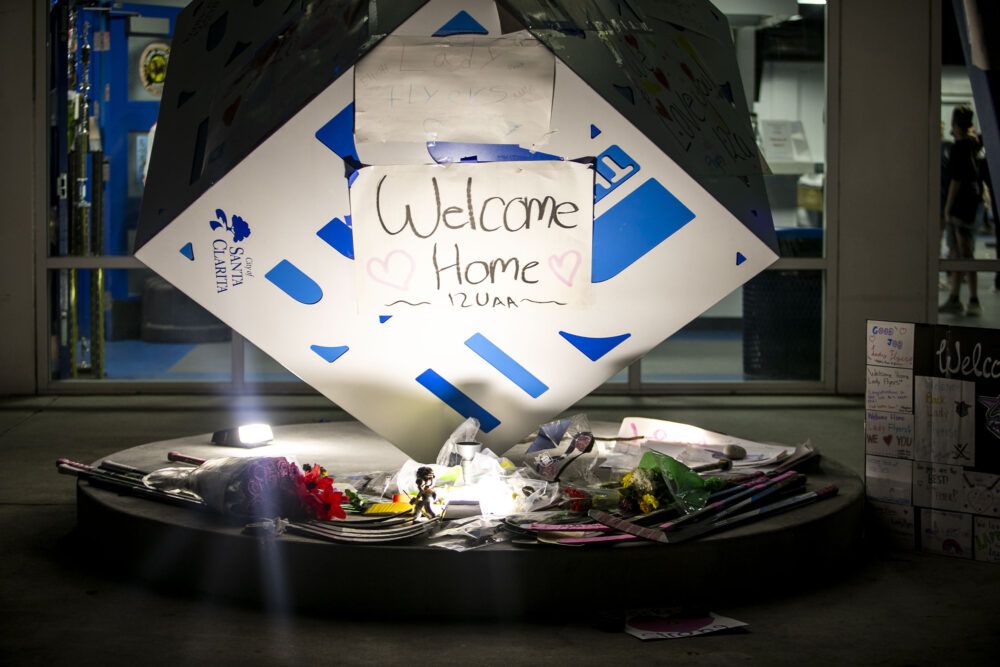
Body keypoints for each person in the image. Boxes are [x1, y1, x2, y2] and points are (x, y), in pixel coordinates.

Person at [939, 106, 984, 316]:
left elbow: (955, 181)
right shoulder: (972, 144)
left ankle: (973, 299)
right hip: (970, 204)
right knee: (958, 253)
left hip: (960, 207)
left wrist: (947, 209)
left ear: (956, 124)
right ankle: (955, 297)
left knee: (964, 253)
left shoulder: (959, 148)